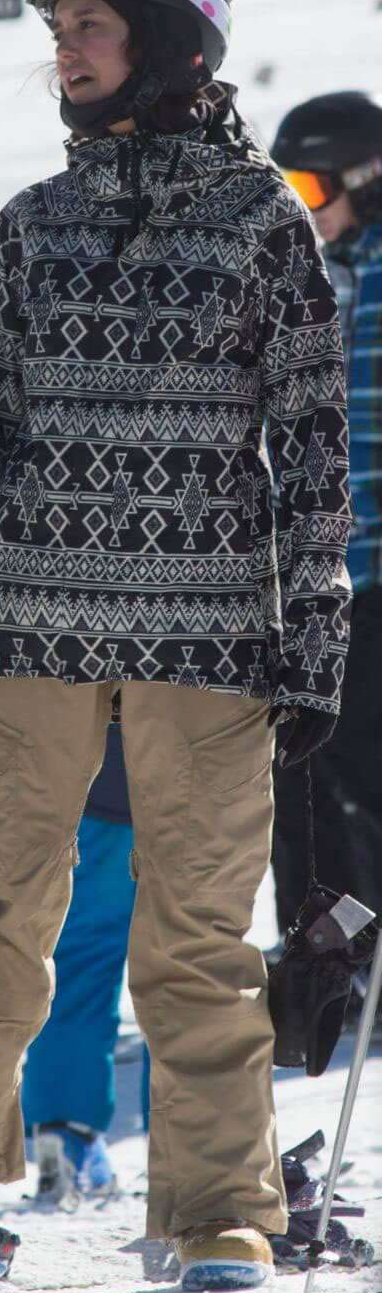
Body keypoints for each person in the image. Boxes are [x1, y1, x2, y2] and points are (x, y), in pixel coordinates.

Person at [0, 0, 351, 1293]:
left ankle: (218, 1207)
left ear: (169, 45)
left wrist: (314, 636)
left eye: (89, 29)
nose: (64, 54)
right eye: (56, 33)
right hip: (28, 628)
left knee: (197, 929)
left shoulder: (266, 227)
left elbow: (314, 449)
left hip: (210, 630)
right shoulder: (27, 229)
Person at [267, 93, 382, 946]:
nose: (303, 206)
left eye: (311, 183)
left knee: (360, 771)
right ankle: (326, 964)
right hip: (328, 580)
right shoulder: (328, 274)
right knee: (307, 768)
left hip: (375, 578)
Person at [21, 722, 138, 1206]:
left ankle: (65, 1133)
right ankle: (196, 1159)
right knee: (188, 967)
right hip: (184, 757)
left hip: (81, 762)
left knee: (80, 955)